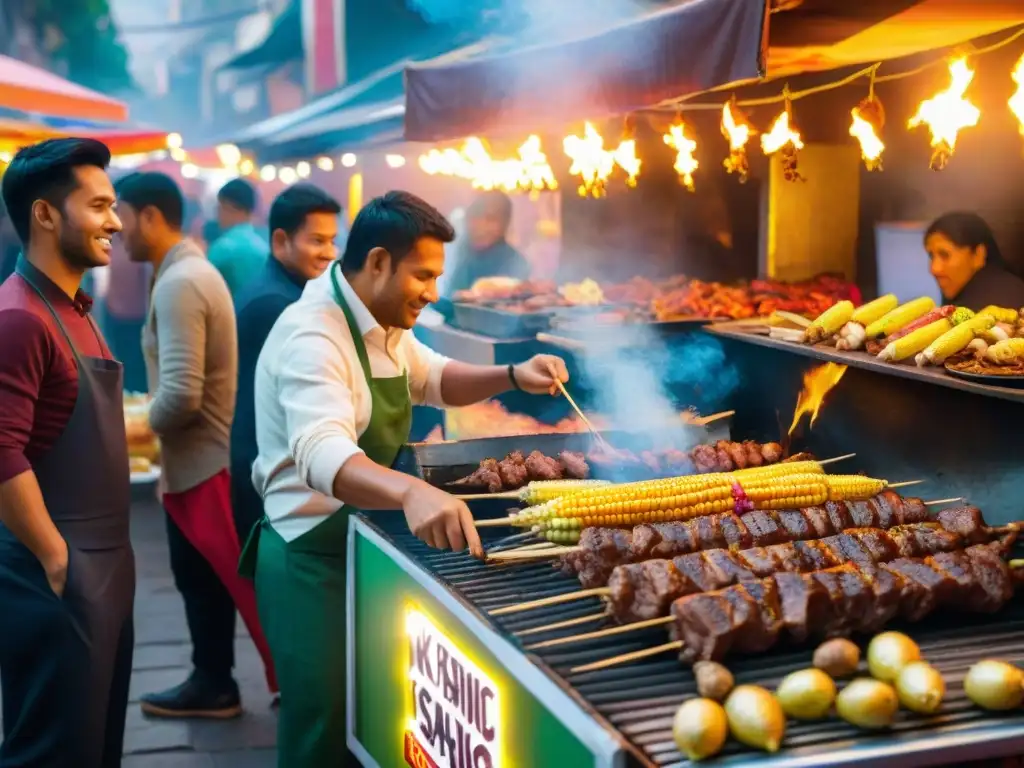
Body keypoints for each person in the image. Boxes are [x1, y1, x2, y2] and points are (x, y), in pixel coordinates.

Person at [241, 190, 569, 767]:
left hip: (358, 544)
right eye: (423, 276)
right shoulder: (313, 334)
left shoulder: (381, 320)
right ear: (376, 263)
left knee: (366, 724)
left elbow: (435, 378)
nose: (433, 293)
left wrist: (514, 374)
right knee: (320, 730)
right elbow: (321, 454)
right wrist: (413, 491)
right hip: (308, 561)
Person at [116, 171, 277, 717]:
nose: (116, 229)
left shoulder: (181, 281)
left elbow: (181, 395)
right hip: (202, 460)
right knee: (205, 581)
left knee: (225, 582)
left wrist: (126, 431)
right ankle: (217, 682)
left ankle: (247, 683)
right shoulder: (181, 272)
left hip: (205, 462)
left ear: (151, 216)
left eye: (122, 215)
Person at [0, 138, 133, 767]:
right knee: (54, 753)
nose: (117, 221)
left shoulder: (72, 306)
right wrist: (58, 559)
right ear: (46, 215)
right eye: (100, 205)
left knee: (95, 746)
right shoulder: (20, 316)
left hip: (105, 566)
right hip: (58, 574)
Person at [231, 182, 341, 549]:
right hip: (269, 483)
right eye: (317, 241)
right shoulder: (276, 305)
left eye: (332, 241)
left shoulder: (288, 293)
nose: (329, 253)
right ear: (281, 242)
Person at [924, 211, 1024, 310]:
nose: (934, 269)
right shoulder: (1011, 286)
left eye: (945, 255)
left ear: (978, 255)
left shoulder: (982, 313)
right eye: (931, 256)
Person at [442, 189, 530, 297]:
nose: (480, 225)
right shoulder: (452, 251)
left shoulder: (516, 263)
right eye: (475, 216)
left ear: (504, 224)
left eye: (491, 219)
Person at [208, 177, 266, 299]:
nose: (217, 214)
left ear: (229, 207)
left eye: (219, 207)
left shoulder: (223, 248)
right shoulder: (264, 248)